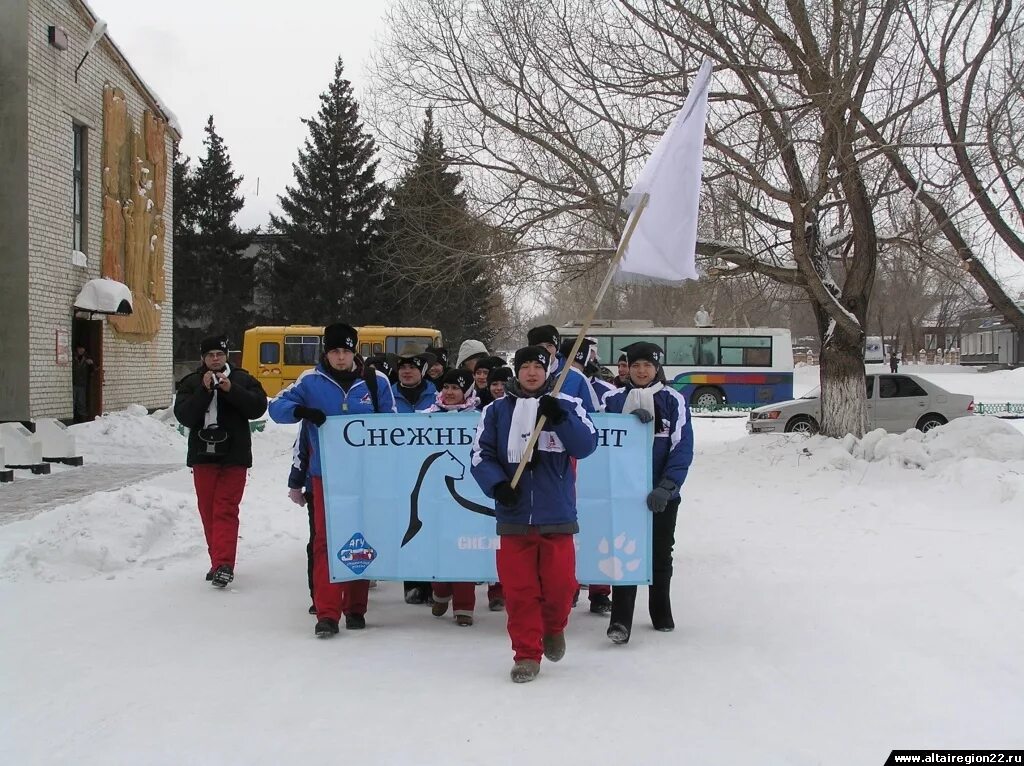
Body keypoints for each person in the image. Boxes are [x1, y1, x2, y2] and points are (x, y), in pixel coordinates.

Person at [471, 345, 598, 682]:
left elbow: (586, 446)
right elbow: (480, 454)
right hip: (514, 518)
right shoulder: (496, 411)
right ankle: (526, 654)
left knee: (560, 588)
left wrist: (560, 418)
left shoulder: (569, 405)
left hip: (556, 515)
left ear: (548, 370)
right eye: (524, 366)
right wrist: (498, 486)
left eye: (537, 367)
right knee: (520, 592)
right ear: (517, 371)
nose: (531, 372)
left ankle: (554, 627)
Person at [268, 323, 396, 638]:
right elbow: (276, 408)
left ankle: (355, 608)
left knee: (361, 538)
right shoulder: (310, 381)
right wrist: (302, 411)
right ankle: (327, 612)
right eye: (335, 351)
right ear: (326, 352)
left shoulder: (375, 381)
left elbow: (393, 425)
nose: (340, 357)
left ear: (355, 351)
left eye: (346, 351)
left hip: (364, 476)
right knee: (325, 542)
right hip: (324, 476)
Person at [601, 341, 693, 644]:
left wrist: (667, 487)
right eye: (636, 365)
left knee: (660, 552)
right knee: (623, 551)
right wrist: (627, 421)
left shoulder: (673, 400)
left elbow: (682, 447)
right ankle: (621, 620)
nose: (641, 371)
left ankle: (660, 610)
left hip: (661, 493)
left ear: (657, 368)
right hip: (623, 494)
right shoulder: (612, 399)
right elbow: (599, 440)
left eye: (648, 366)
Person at [174, 335, 268, 588]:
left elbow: (257, 407)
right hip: (203, 456)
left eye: (219, 354)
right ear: (203, 359)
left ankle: (225, 564)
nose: (215, 359)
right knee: (208, 510)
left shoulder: (243, 379)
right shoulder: (192, 382)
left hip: (234, 456)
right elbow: (184, 416)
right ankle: (217, 561)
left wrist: (231, 389)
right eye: (210, 355)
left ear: (227, 356)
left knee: (225, 508)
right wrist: (204, 391)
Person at [420, 368, 482, 625]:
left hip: (466, 492)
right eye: (446, 387)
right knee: (438, 544)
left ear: (466, 391)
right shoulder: (426, 417)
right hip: (436, 494)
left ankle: (464, 606)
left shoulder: (479, 418)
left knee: (463, 547)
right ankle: (441, 592)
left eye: (455, 388)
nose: (449, 392)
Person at [557, 336, 613, 614]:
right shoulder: (574, 377)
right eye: (592, 353)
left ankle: (586, 589)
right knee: (583, 527)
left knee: (582, 528)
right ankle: (579, 589)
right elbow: (597, 413)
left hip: (580, 461)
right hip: (576, 462)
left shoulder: (590, 381)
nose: (595, 359)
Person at [393, 349, 438, 605]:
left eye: (412, 367)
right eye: (402, 367)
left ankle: (432, 583)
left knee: (430, 523)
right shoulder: (388, 394)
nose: (407, 371)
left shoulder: (436, 394)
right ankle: (411, 583)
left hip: (429, 469)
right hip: (400, 468)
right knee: (407, 523)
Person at [528, 325, 600, 412]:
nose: (545, 350)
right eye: (539, 346)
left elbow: (592, 414)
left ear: (556, 348)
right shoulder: (525, 376)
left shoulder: (576, 378)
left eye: (549, 345)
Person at [287, 424, 317, 614]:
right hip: (317, 484)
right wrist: (296, 483)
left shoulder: (369, 394)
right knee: (319, 541)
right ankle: (319, 595)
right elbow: (301, 447)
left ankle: (354, 597)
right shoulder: (313, 400)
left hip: (359, 484)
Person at [71, 344, 95, 423]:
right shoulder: (73, 356)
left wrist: (91, 364)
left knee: (81, 402)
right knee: (73, 402)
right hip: (73, 383)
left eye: (83, 349)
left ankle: (82, 421)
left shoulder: (87, 357)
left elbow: (93, 370)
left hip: (82, 384)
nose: (81, 350)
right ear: (77, 349)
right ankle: (73, 419)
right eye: (80, 348)